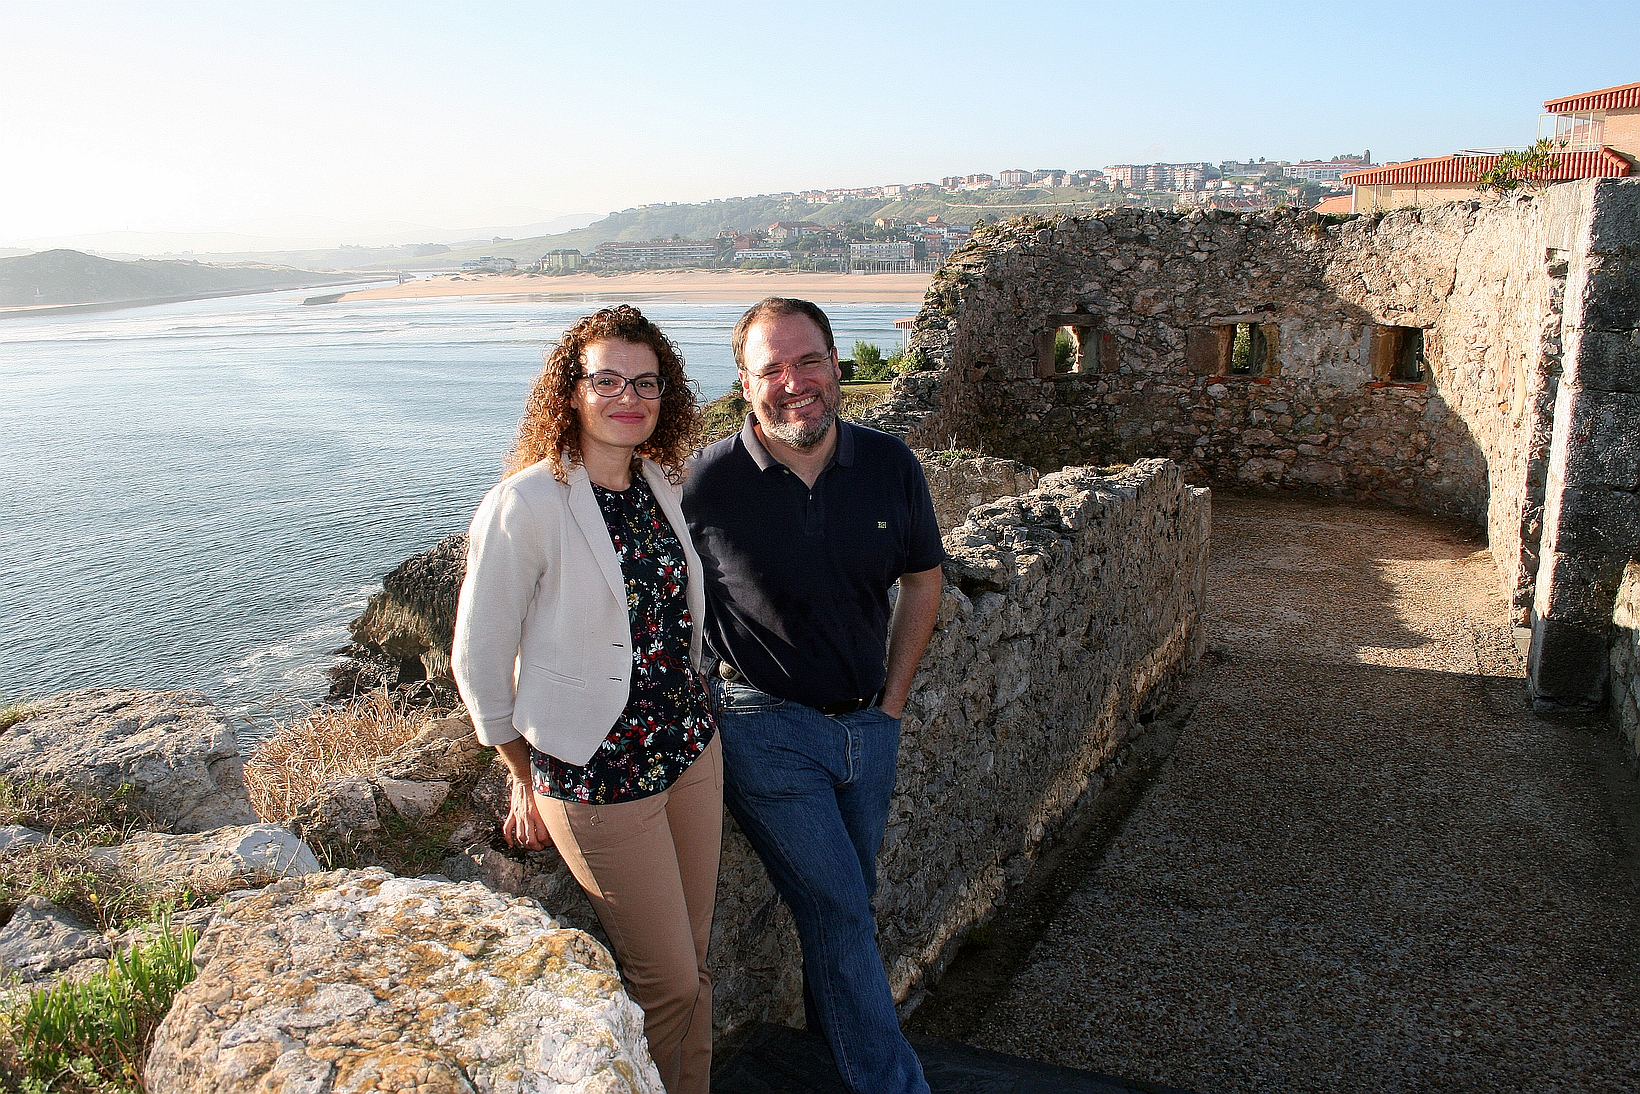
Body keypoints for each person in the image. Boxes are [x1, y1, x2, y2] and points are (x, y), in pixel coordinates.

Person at [452, 305, 720, 1094]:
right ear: (570, 392)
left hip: (692, 751)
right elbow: (477, 659)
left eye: (645, 381)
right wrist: (519, 771)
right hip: (596, 776)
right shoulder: (527, 503)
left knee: (693, 970)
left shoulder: (665, 482)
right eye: (606, 379)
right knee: (668, 981)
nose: (627, 396)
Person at [682, 297, 945, 1094]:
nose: (793, 383)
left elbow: (924, 582)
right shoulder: (707, 482)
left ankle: (829, 1062)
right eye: (772, 369)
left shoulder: (890, 463)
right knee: (838, 909)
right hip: (764, 729)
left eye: (809, 362)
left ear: (838, 366)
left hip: (869, 728)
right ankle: (894, 1086)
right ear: (743, 383)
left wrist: (892, 707)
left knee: (842, 911)